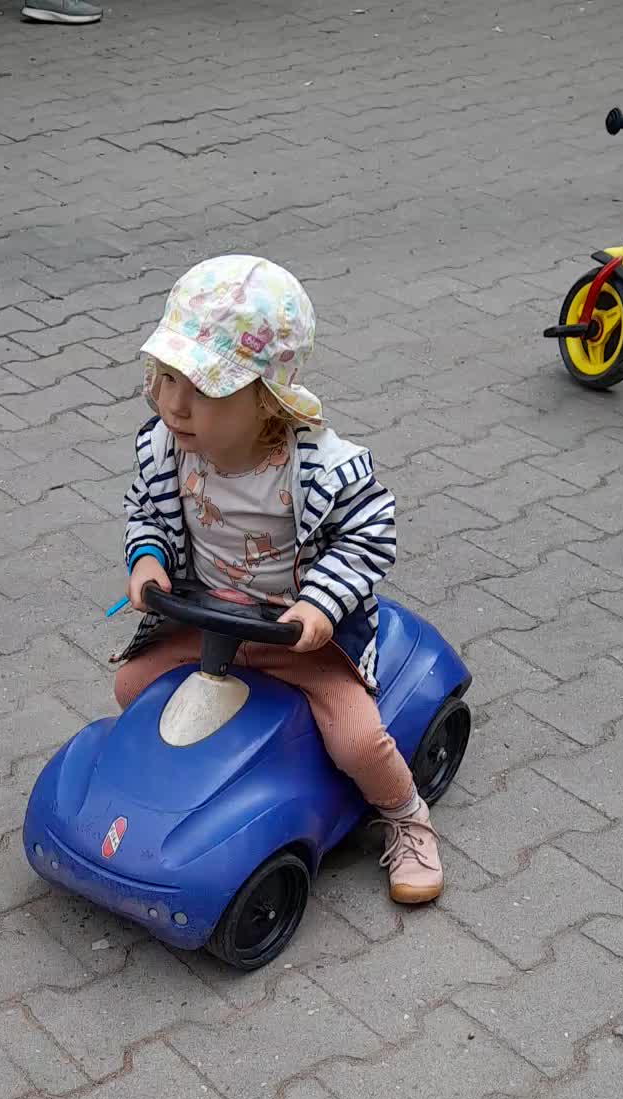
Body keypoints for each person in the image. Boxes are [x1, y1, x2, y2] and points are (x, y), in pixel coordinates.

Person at [114, 255, 443, 906]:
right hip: (207, 619)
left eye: (203, 389)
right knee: (130, 687)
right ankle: (192, 794)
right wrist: (147, 557)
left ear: (265, 400)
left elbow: (369, 534)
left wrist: (321, 606)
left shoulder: (319, 469)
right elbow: (146, 511)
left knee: (356, 741)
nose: (174, 403)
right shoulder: (164, 448)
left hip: (300, 636)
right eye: (167, 377)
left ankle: (406, 818)